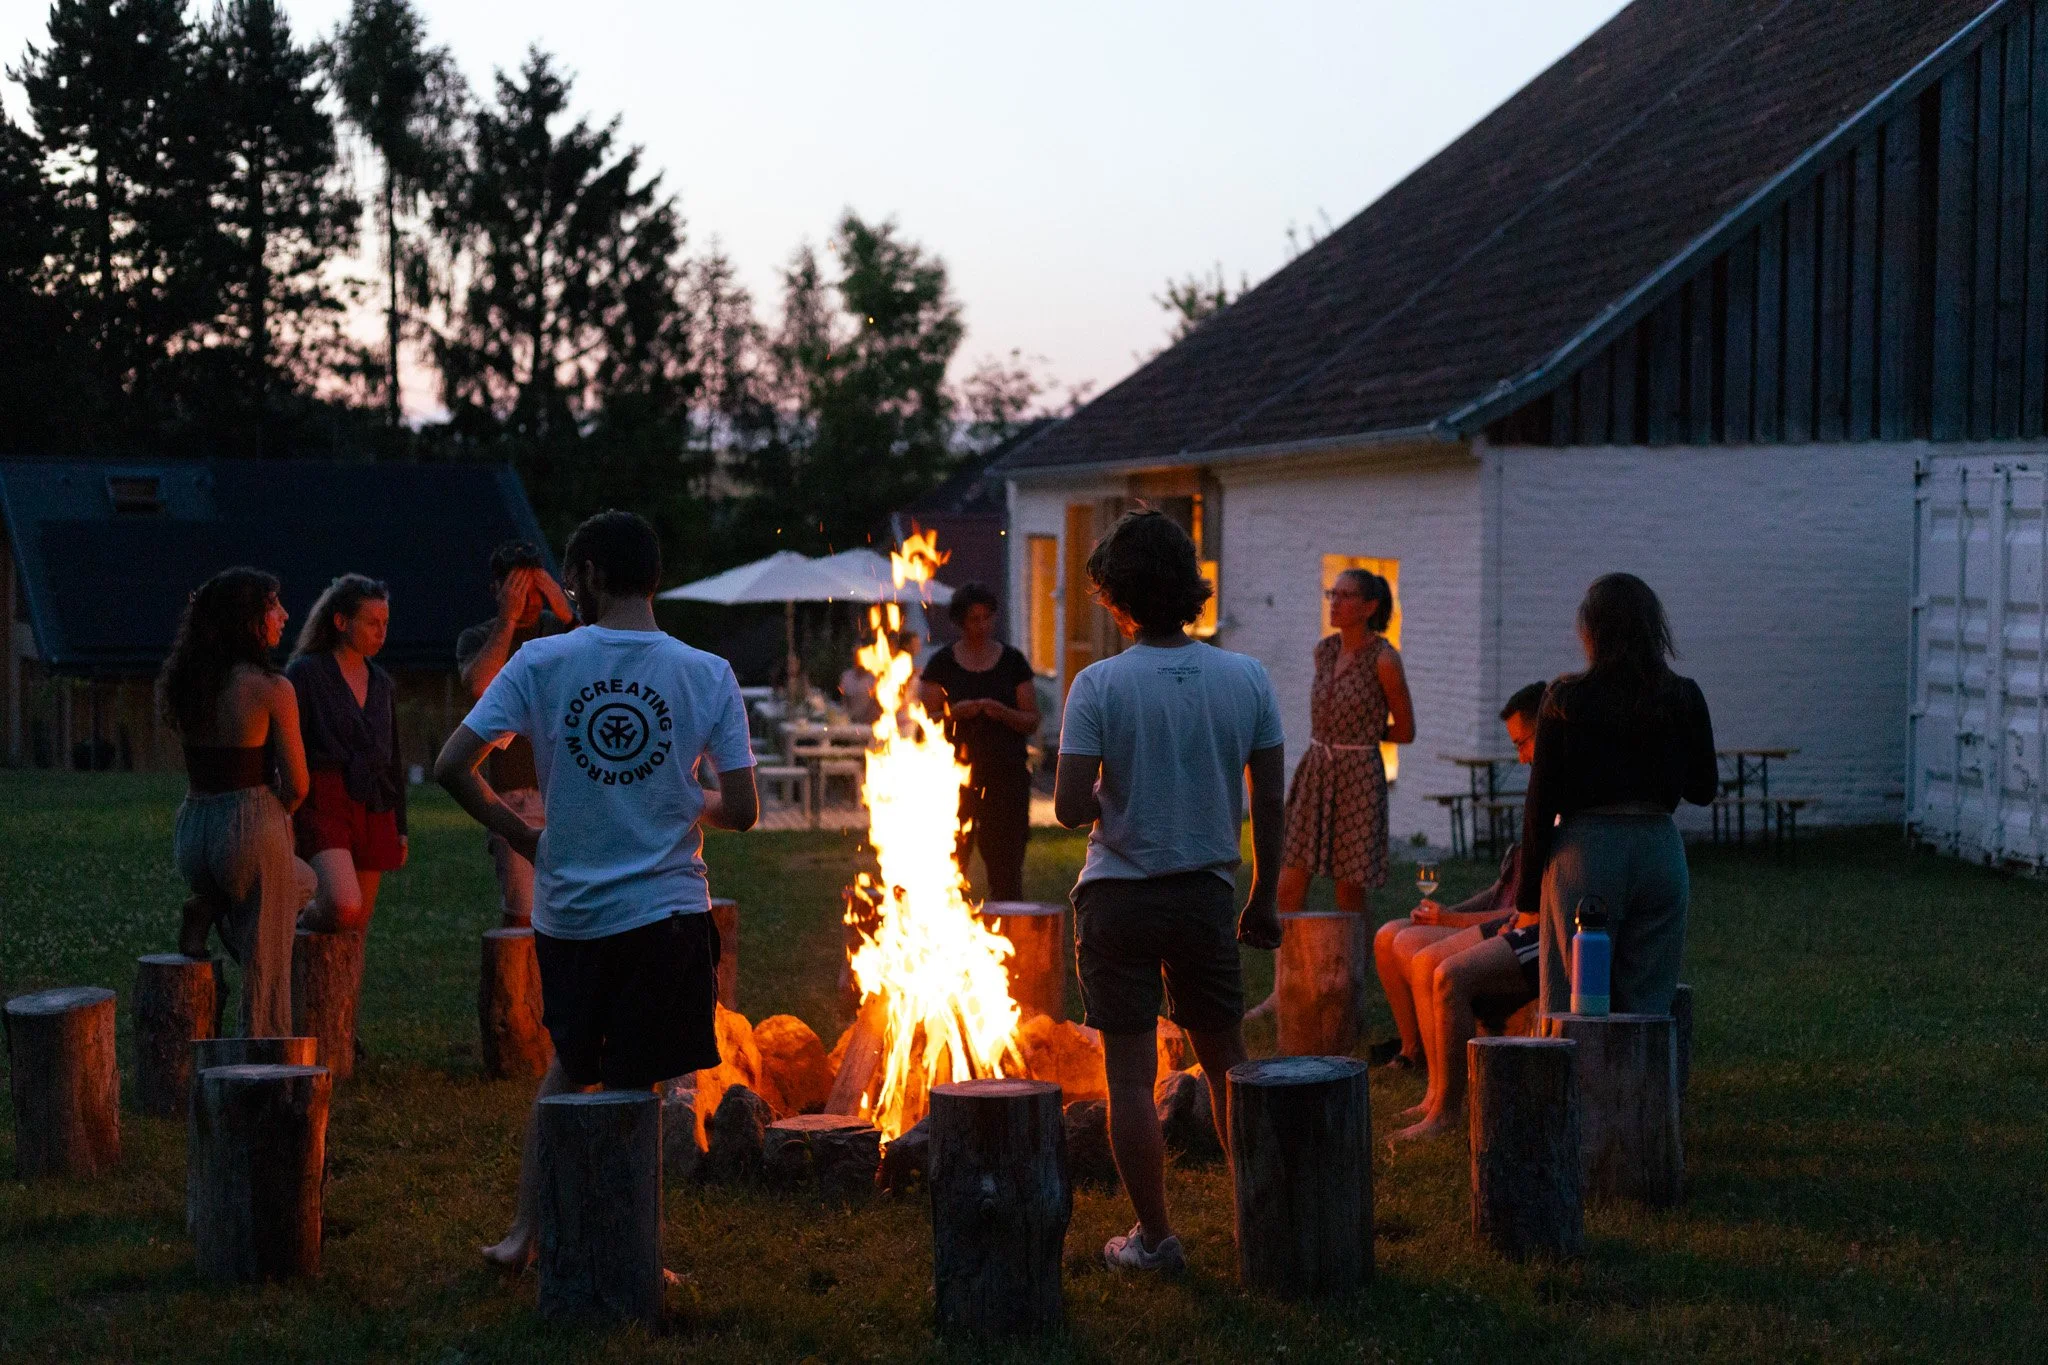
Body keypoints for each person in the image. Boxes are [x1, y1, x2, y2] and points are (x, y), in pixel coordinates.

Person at [435, 509, 759, 1271]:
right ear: (655, 579)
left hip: (572, 913)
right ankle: (627, 1251)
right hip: (667, 915)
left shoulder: (541, 664)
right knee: (634, 1086)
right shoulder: (705, 672)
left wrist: (525, 839)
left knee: (570, 1066)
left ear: (583, 578)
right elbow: (742, 809)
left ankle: (529, 1233)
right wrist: (689, 798)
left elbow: (455, 764)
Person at [1054, 509, 1287, 1274]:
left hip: (1117, 897)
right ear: (1188, 586)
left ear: (1118, 597)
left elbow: (1067, 805)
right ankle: (1260, 1219)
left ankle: (1156, 1237)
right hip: (1203, 893)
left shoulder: (1098, 684)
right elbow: (1271, 800)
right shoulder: (1245, 677)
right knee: (1228, 1062)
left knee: (1129, 1075)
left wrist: (1115, 793)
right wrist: (1264, 898)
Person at [1518, 573, 1717, 1018]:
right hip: (1657, 850)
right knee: (1648, 999)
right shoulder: (1683, 696)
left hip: (1585, 853)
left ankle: (1581, 1087)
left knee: (1579, 1001)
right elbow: (1704, 789)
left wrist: (1527, 894)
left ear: (1592, 632)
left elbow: (1540, 802)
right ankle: (1643, 1086)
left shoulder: (1566, 699)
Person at [159, 568, 317, 1036]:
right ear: (250, 620)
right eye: (274, 605)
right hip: (247, 826)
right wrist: (276, 816)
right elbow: (299, 784)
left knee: (300, 882)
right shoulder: (271, 688)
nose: (285, 615)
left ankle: (209, 903)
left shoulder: (187, 683)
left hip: (193, 828)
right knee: (268, 970)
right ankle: (264, 1071)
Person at [1371, 680, 1547, 1073]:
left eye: (1522, 744)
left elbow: (1526, 912)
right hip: (1505, 922)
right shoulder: (1540, 794)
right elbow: (1501, 891)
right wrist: (1449, 911)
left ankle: (1444, 1075)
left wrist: (1449, 920)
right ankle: (1413, 1049)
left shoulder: (1555, 800)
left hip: (1517, 932)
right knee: (1387, 936)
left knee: (1416, 947)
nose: (1520, 759)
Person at [1275, 569, 1416, 917]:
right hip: (1316, 770)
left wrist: (1367, 733)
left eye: (1345, 596)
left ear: (1369, 607)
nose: (1335, 603)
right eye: (1332, 594)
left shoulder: (1384, 659)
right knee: (1287, 885)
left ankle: (1349, 970)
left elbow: (1406, 730)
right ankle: (1291, 969)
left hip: (1357, 779)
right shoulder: (1324, 652)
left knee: (1349, 897)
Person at [456, 542, 574, 927]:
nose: (528, 600)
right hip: (514, 795)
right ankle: (513, 985)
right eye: (518, 589)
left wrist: (564, 608)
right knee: (522, 912)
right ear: (497, 590)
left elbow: (607, 662)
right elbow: (480, 686)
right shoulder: (479, 638)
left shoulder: (563, 631)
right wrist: (507, 621)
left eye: (534, 588)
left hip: (569, 790)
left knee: (575, 912)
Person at [287, 575, 406, 934]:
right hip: (325, 798)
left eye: (385, 623)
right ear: (341, 622)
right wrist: (286, 814)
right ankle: (293, 923)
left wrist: (400, 826)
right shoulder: (306, 673)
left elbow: (393, 757)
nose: (380, 632)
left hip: (374, 804)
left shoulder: (382, 683)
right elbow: (289, 746)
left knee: (357, 927)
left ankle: (342, 992)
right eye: (371, 622)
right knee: (342, 905)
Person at [918, 583, 1040, 901]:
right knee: (949, 860)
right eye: (974, 619)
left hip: (1005, 778)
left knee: (1006, 865)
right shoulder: (942, 665)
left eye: (987, 618)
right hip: (953, 778)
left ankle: (1009, 928)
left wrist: (1002, 713)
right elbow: (923, 723)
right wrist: (953, 714)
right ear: (960, 621)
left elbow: (1031, 719)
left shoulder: (1012, 662)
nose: (982, 626)